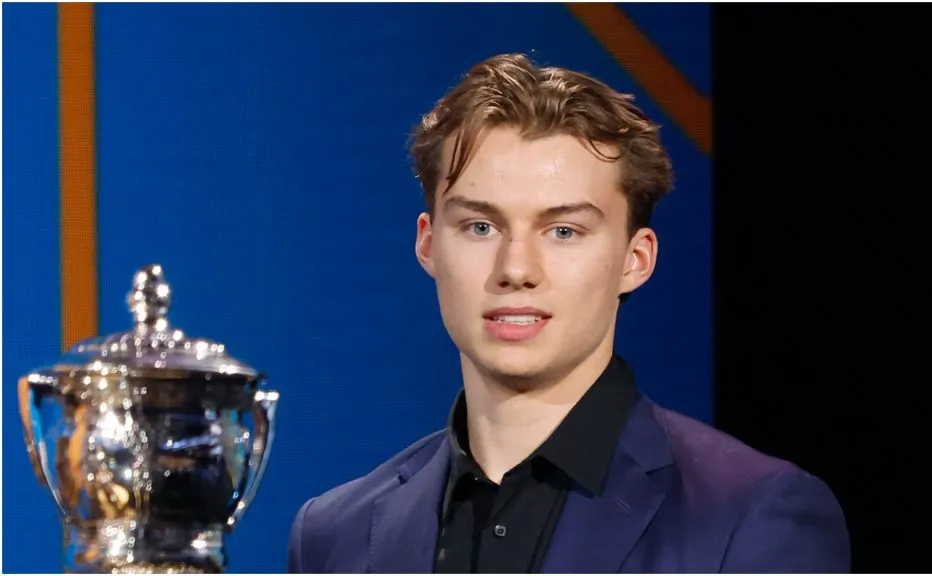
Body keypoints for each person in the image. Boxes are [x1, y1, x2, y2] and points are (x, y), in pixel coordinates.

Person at [286, 53, 850, 573]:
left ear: (635, 259)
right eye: (480, 226)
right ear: (429, 245)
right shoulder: (337, 535)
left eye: (563, 231)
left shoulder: (750, 516)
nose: (516, 267)